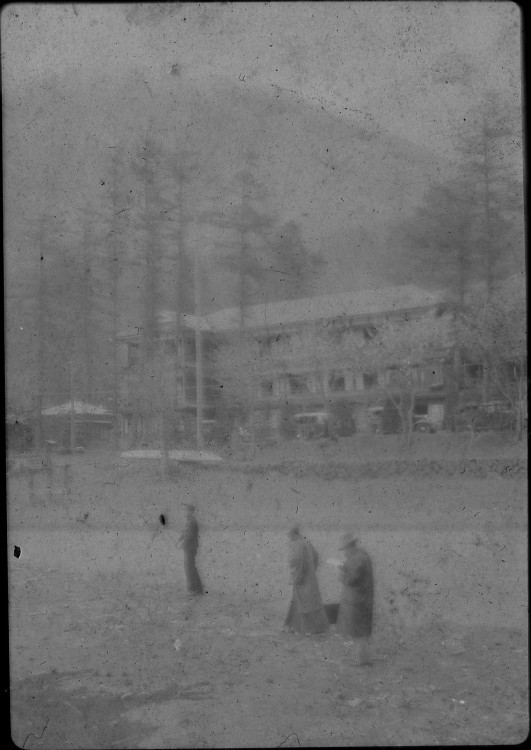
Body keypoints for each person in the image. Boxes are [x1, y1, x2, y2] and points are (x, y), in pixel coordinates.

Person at [283, 526, 329, 635]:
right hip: (310, 577)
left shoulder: (297, 544)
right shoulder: (307, 541)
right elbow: (316, 555)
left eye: (289, 535)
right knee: (312, 602)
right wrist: (312, 570)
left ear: (293, 534)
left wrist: (295, 573)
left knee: (302, 603)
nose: (288, 537)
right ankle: (317, 627)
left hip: (301, 579)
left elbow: (295, 560)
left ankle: (302, 628)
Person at [336, 532, 373, 665]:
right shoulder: (361, 555)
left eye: (345, 549)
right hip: (363, 597)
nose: (345, 551)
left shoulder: (356, 558)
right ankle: (365, 658)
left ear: (349, 546)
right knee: (361, 630)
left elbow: (351, 579)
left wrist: (341, 571)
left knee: (357, 631)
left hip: (357, 599)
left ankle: (361, 660)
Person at [179, 504, 204, 596]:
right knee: (191, 567)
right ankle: (198, 589)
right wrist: (179, 539)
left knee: (189, 568)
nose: (185, 512)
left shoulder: (192, 522)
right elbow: (185, 532)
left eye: (187, 511)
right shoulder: (189, 521)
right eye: (185, 510)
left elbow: (190, 536)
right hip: (189, 547)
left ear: (191, 512)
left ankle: (193, 589)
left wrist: (182, 544)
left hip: (190, 548)